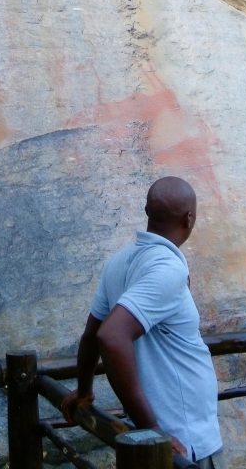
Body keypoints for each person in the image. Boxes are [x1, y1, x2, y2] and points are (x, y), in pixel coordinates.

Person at [62, 176, 223, 466]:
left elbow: (90, 335)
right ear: (189, 218)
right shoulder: (168, 269)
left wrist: (84, 390)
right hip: (184, 440)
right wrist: (154, 430)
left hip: (161, 437)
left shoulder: (118, 262)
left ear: (147, 212)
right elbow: (110, 336)